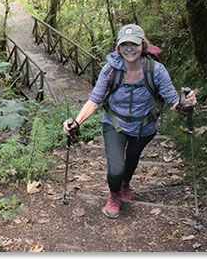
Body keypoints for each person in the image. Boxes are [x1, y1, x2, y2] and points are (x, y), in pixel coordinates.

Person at [63, 24, 197, 219]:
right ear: (118, 48)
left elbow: (173, 103)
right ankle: (114, 194)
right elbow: (95, 100)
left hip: (145, 127)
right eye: (124, 44)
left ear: (142, 45)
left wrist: (185, 105)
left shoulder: (156, 70)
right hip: (114, 123)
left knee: (132, 159)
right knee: (116, 168)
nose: (129, 49)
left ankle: (125, 183)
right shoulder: (110, 70)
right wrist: (76, 122)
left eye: (133, 44)